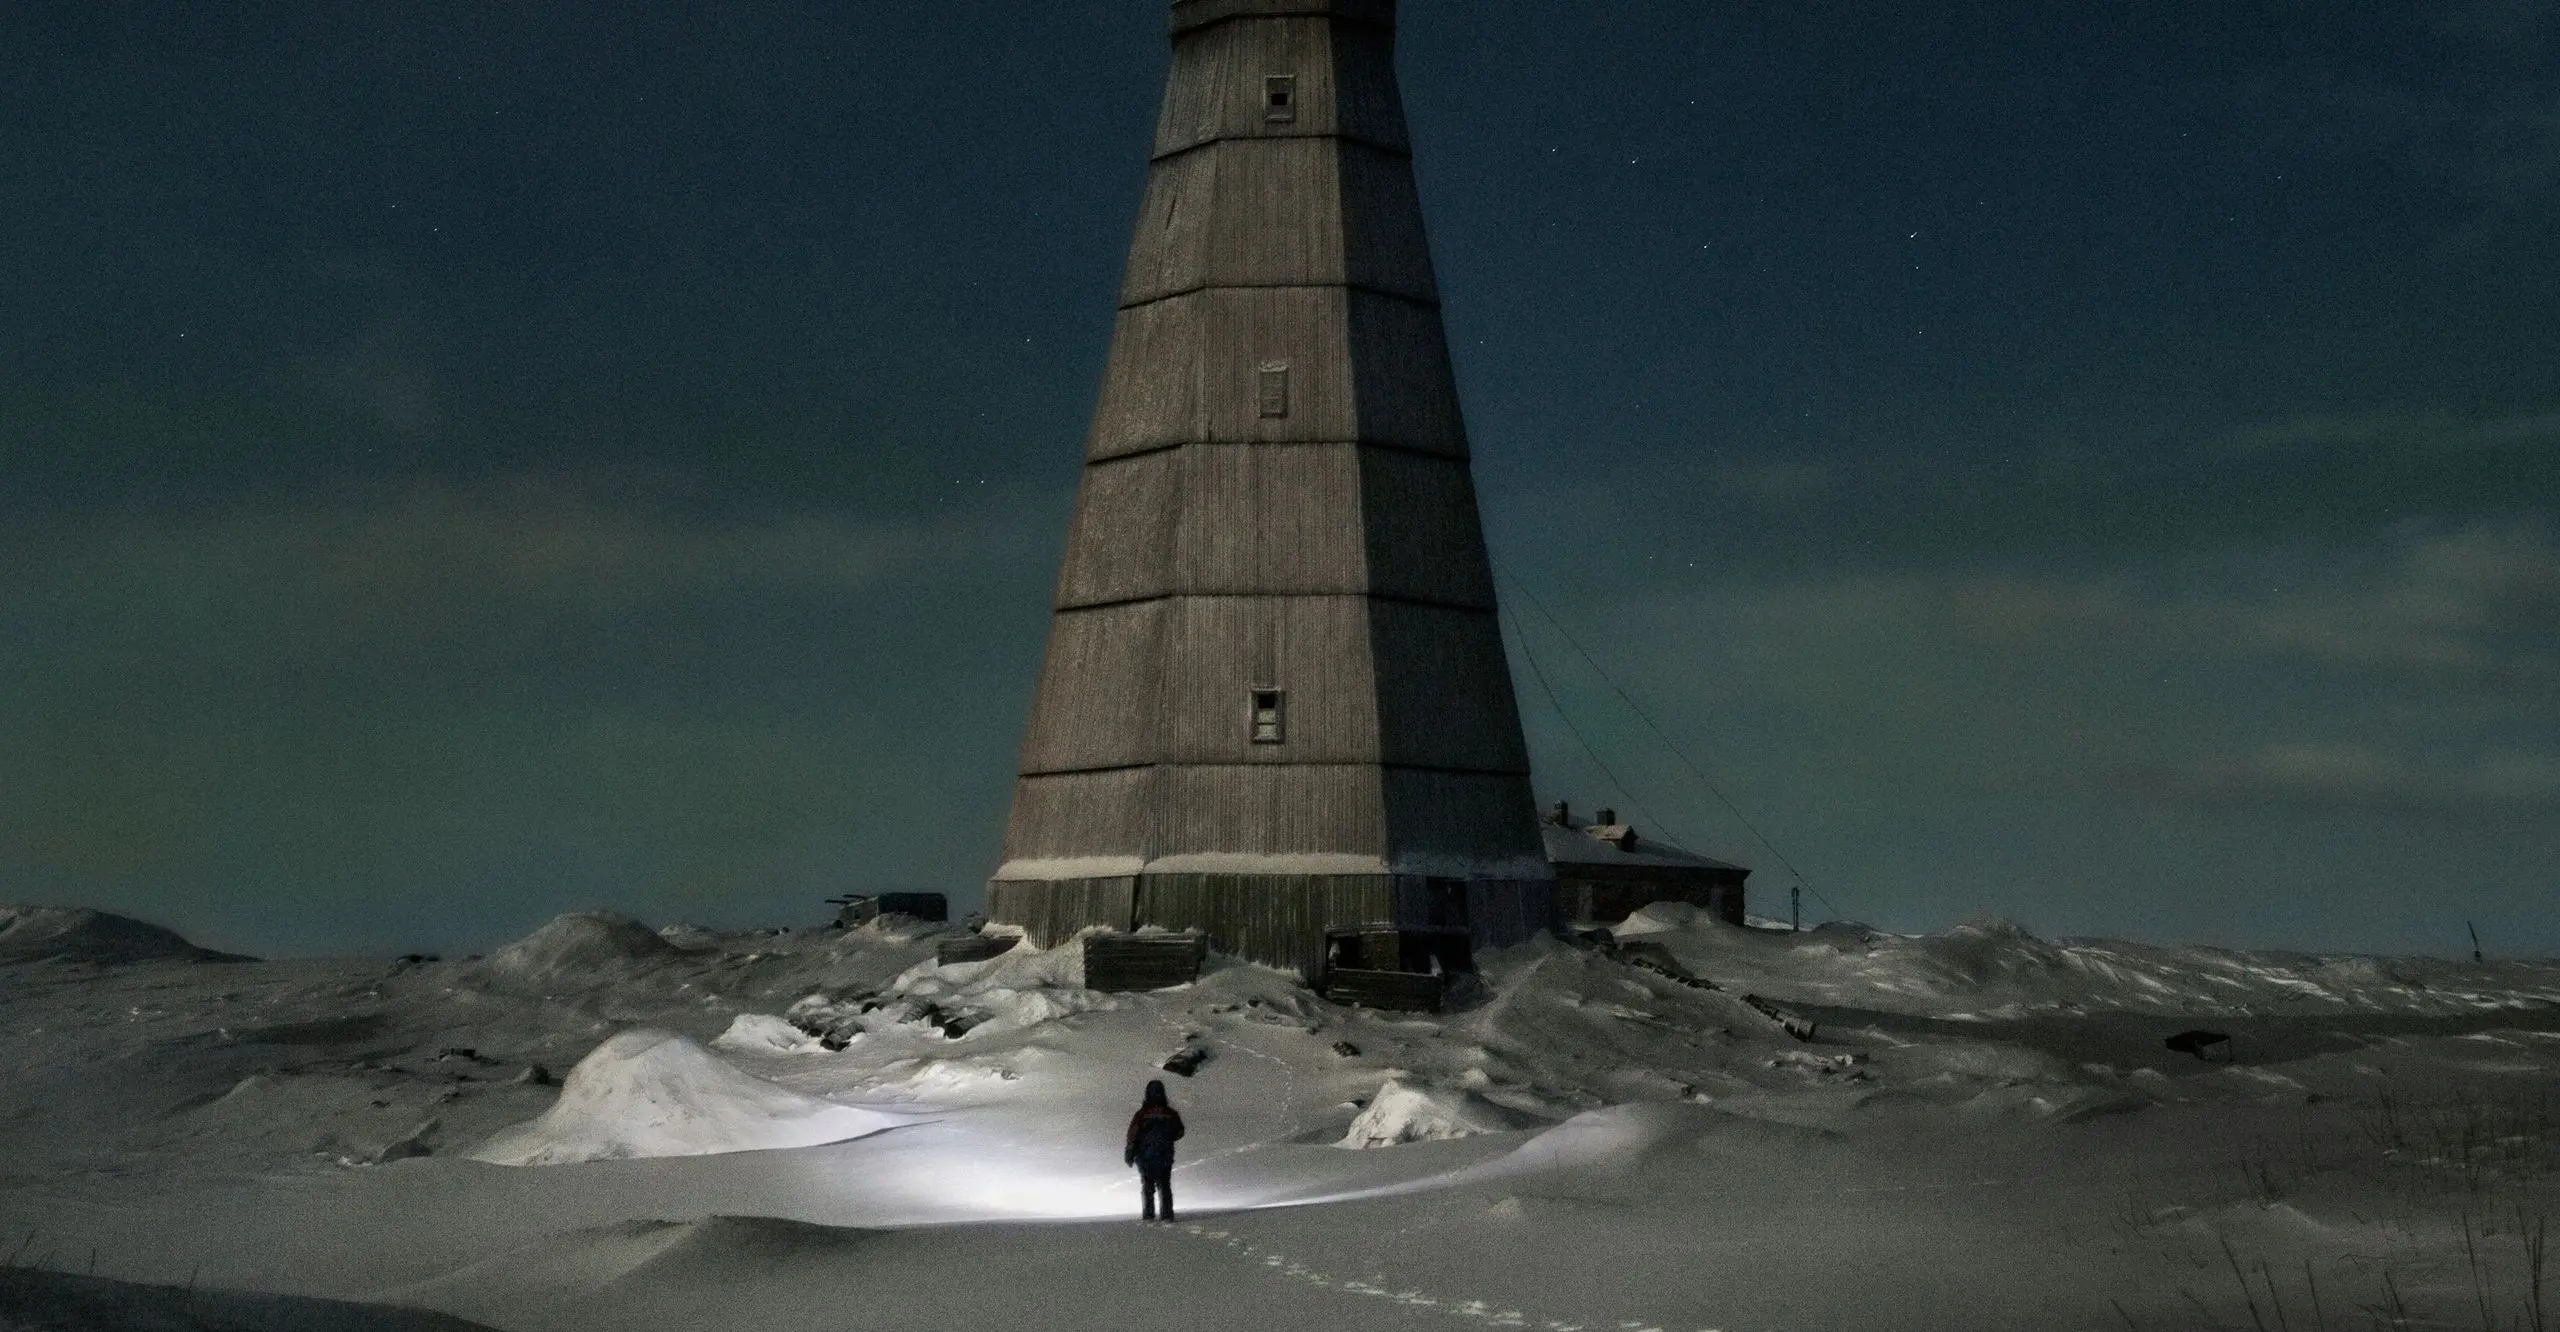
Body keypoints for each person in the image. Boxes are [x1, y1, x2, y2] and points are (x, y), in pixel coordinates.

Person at [1123, 1079, 1186, 1222]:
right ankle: (1167, 1215)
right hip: (1165, 1154)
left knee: (1148, 1185)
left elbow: (1132, 1134)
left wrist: (1130, 1151)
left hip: (1145, 1156)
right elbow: (1180, 1132)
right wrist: (1167, 1138)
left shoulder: (1142, 1114)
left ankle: (1149, 1215)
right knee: (1164, 1185)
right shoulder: (1170, 1113)